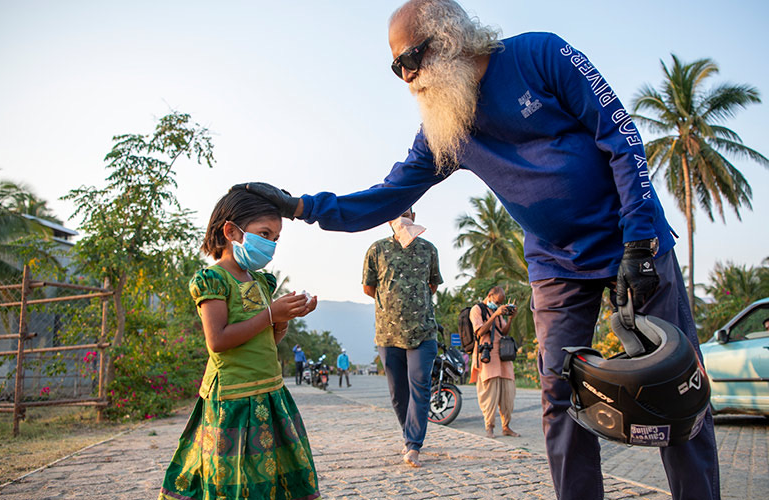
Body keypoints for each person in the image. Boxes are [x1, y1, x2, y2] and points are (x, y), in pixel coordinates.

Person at [242, 1, 720, 498]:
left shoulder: (542, 53)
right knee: (560, 397)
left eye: (408, 61)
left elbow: (620, 135)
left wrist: (639, 239)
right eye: (396, 69)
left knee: (678, 390)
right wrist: (301, 206)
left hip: (633, 241)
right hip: (556, 264)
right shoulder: (445, 129)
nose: (406, 78)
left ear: (447, 41)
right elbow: (387, 196)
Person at [157, 186, 320, 500]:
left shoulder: (260, 282)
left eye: (275, 238)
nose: (271, 244)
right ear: (231, 231)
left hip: (269, 391)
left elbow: (268, 338)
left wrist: (283, 317)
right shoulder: (214, 279)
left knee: (272, 472)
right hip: (233, 398)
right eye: (264, 233)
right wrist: (271, 313)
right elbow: (217, 340)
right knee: (233, 478)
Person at [362, 207, 442, 468]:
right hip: (388, 333)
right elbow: (369, 287)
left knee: (420, 387)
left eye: (407, 211)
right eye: (397, 211)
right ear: (389, 219)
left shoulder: (429, 249)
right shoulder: (376, 250)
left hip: (424, 331)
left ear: (415, 216)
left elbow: (432, 285)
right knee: (398, 393)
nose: (403, 216)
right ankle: (409, 434)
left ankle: (413, 445)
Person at [470, 286, 519, 438]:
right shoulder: (477, 309)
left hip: (503, 356)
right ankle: (489, 427)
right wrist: (495, 314)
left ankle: (506, 426)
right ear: (490, 295)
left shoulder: (498, 312)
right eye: (497, 302)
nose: (497, 305)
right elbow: (479, 331)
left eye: (500, 304)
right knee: (489, 394)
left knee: (508, 392)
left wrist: (510, 318)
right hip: (487, 355)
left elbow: (504, 332)